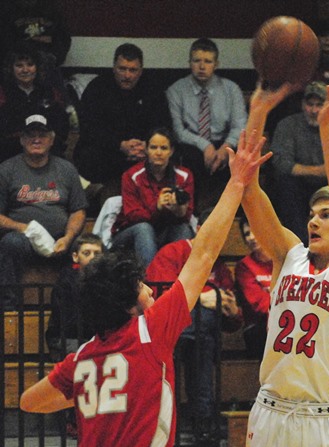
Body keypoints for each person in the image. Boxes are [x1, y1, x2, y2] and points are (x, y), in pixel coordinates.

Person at [19, 117, 275, 447]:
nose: (150, 289)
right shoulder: (150, 331)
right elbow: (204, 251)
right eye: (141, 286)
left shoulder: (82, 357)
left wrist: (97, 393)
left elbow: (28, 401)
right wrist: (237, 183)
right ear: (128, 304)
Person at [241, 74, 329, 446]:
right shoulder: (289, 254)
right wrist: (257, 112)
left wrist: (327, 125)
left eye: (326, 215)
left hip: (326, 419)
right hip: (271, 412)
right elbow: (248, 192)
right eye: (313, 213)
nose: (314, 220)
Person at [145, 207, 243, 442]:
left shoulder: (219, 268)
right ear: (199, 229)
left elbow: (231, 320)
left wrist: (233, 312)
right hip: (168, 331)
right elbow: (157, 297)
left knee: (205, 333)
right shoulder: (173, 252)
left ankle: (200, 420)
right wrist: (202, 299)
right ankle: (204, 420)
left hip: (199, 337)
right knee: (203, 325)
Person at [0, 114, 87, 309]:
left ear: (52, 139)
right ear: (22, 140)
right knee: (11, 243)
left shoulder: (66, 169)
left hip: (60, 240)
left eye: (42, 135)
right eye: (31, 135)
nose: (36, 140)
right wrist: (22, 228)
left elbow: (78, 210)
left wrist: (68, 237)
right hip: (23, 239)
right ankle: (8, 311)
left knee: (85, 249)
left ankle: (73, 312)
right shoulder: (6, 170)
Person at [73, 43, 171, 202]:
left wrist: (147, 146)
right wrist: (120, 145)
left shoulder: (152, 89)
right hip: (108, 151)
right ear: (113, 68)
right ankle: (102, 193)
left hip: (144, 151)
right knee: (88, 155)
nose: (127, 75)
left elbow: (163, 125)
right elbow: (89, 128)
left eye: (133, 70)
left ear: (141, 71)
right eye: (122, 69)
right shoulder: (97, 87)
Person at [270, 80, 329, 245]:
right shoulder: (288, 126)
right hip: (299, 185)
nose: (313, 110)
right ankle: (301, 244)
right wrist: (319, 170)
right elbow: (281, 164)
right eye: (309, 104)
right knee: (285, 185)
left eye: (319, 105)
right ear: (302, 104)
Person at [166, 37, 247, 212]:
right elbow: (178, 131)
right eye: (197, 61)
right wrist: (205, 146)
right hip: (191, 145)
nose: (202, 67)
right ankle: (191, 213)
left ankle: (230, 215)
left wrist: (225, 148)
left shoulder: (231, 89)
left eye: (208, 61)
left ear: (216, 64)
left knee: (237, 161)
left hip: (224, 142)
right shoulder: (176, 90)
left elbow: (240, 125)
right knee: (190, 159)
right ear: (189, 63)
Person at [111, 127, 195, 268]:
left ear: (171, 151)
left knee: (184, 229)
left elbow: (187, 213)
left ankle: (178, 283)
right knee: (144, 229)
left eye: (163, 148)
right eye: (153, 147)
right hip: (130, 235)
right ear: (146, 150)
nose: (158, 153)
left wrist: (179, 210)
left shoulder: (184, 175)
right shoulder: (131, 175)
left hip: (166, 231)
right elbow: (131, 215)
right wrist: (157, 207)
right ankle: (151, 284)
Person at [0, 43, 70, 163]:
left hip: (46, 150)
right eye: (19, 65)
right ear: (11, 68)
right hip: (10, 152)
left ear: (37, 67)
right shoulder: (3, 93)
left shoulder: (50, 92)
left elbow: (61, 126)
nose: (25, 70)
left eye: (30, 65)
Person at [46, 233, 105, 362]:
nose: (92, 258)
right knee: (88, 355)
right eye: (86, 253)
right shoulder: (65, 282)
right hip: (67, 338)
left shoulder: (107, 282)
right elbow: (68, 323)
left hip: (94, 338)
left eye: (97, 253)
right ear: (75, 257)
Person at [235, 215, 272, 359]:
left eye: (254, 231)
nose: (251, 237)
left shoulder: (284, 259)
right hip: (258, 326)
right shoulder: (244, 266)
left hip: (287, 320)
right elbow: (258, 303)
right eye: (246, 234)